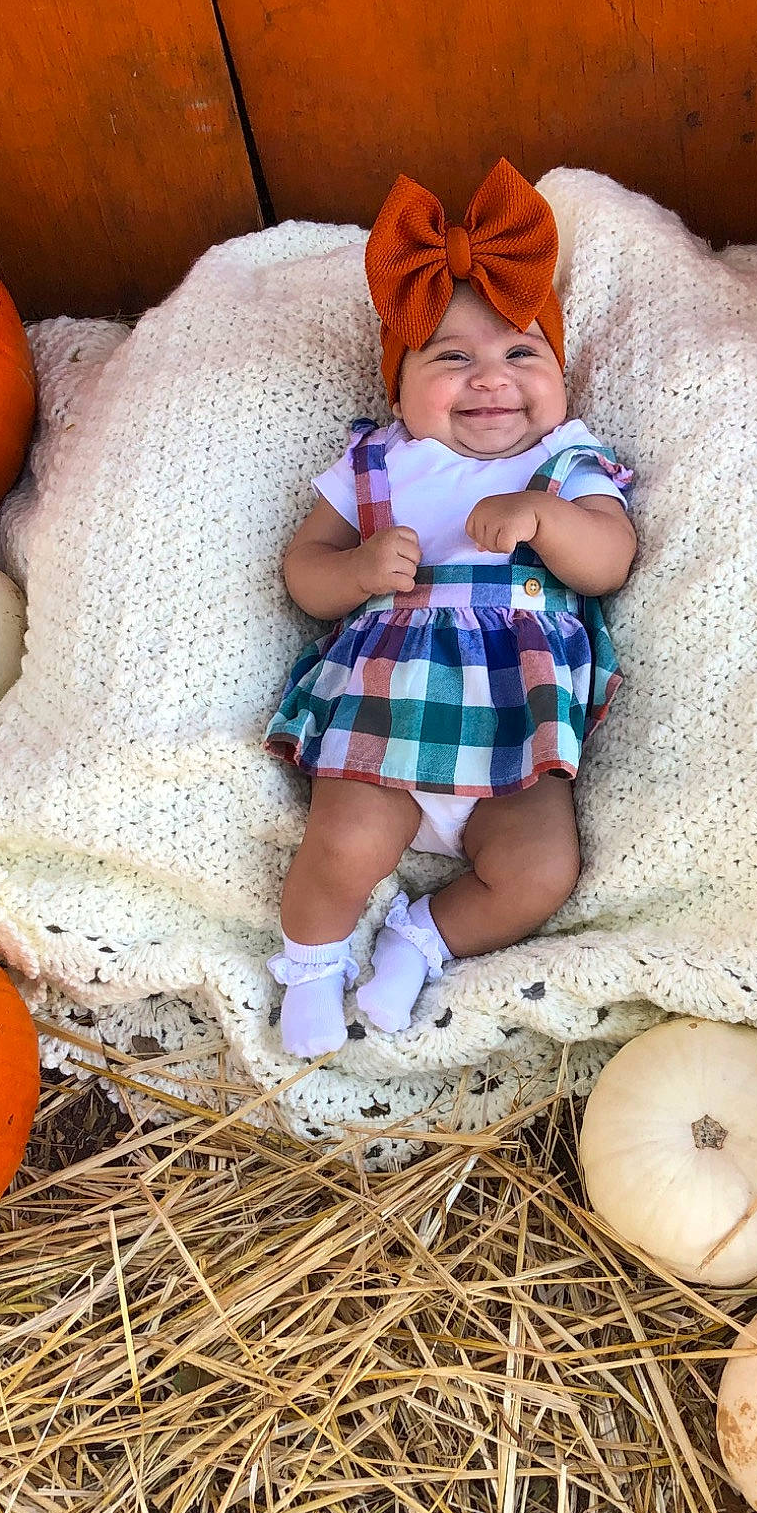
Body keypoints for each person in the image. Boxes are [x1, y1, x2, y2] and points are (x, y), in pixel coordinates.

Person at [264, 158, 637, 1059]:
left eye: (521, 353)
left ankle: (423, 938)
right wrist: (354, 572)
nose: (490, 379)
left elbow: (610, 561)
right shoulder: (381, 464)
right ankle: (310, 967)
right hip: (391, 709)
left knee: (541, 870)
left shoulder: (567, 464)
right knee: (346, 841)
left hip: (515, 728)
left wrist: (544, 519)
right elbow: (301, 572)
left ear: (559, 375)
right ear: (399, 390)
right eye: (452, 359)